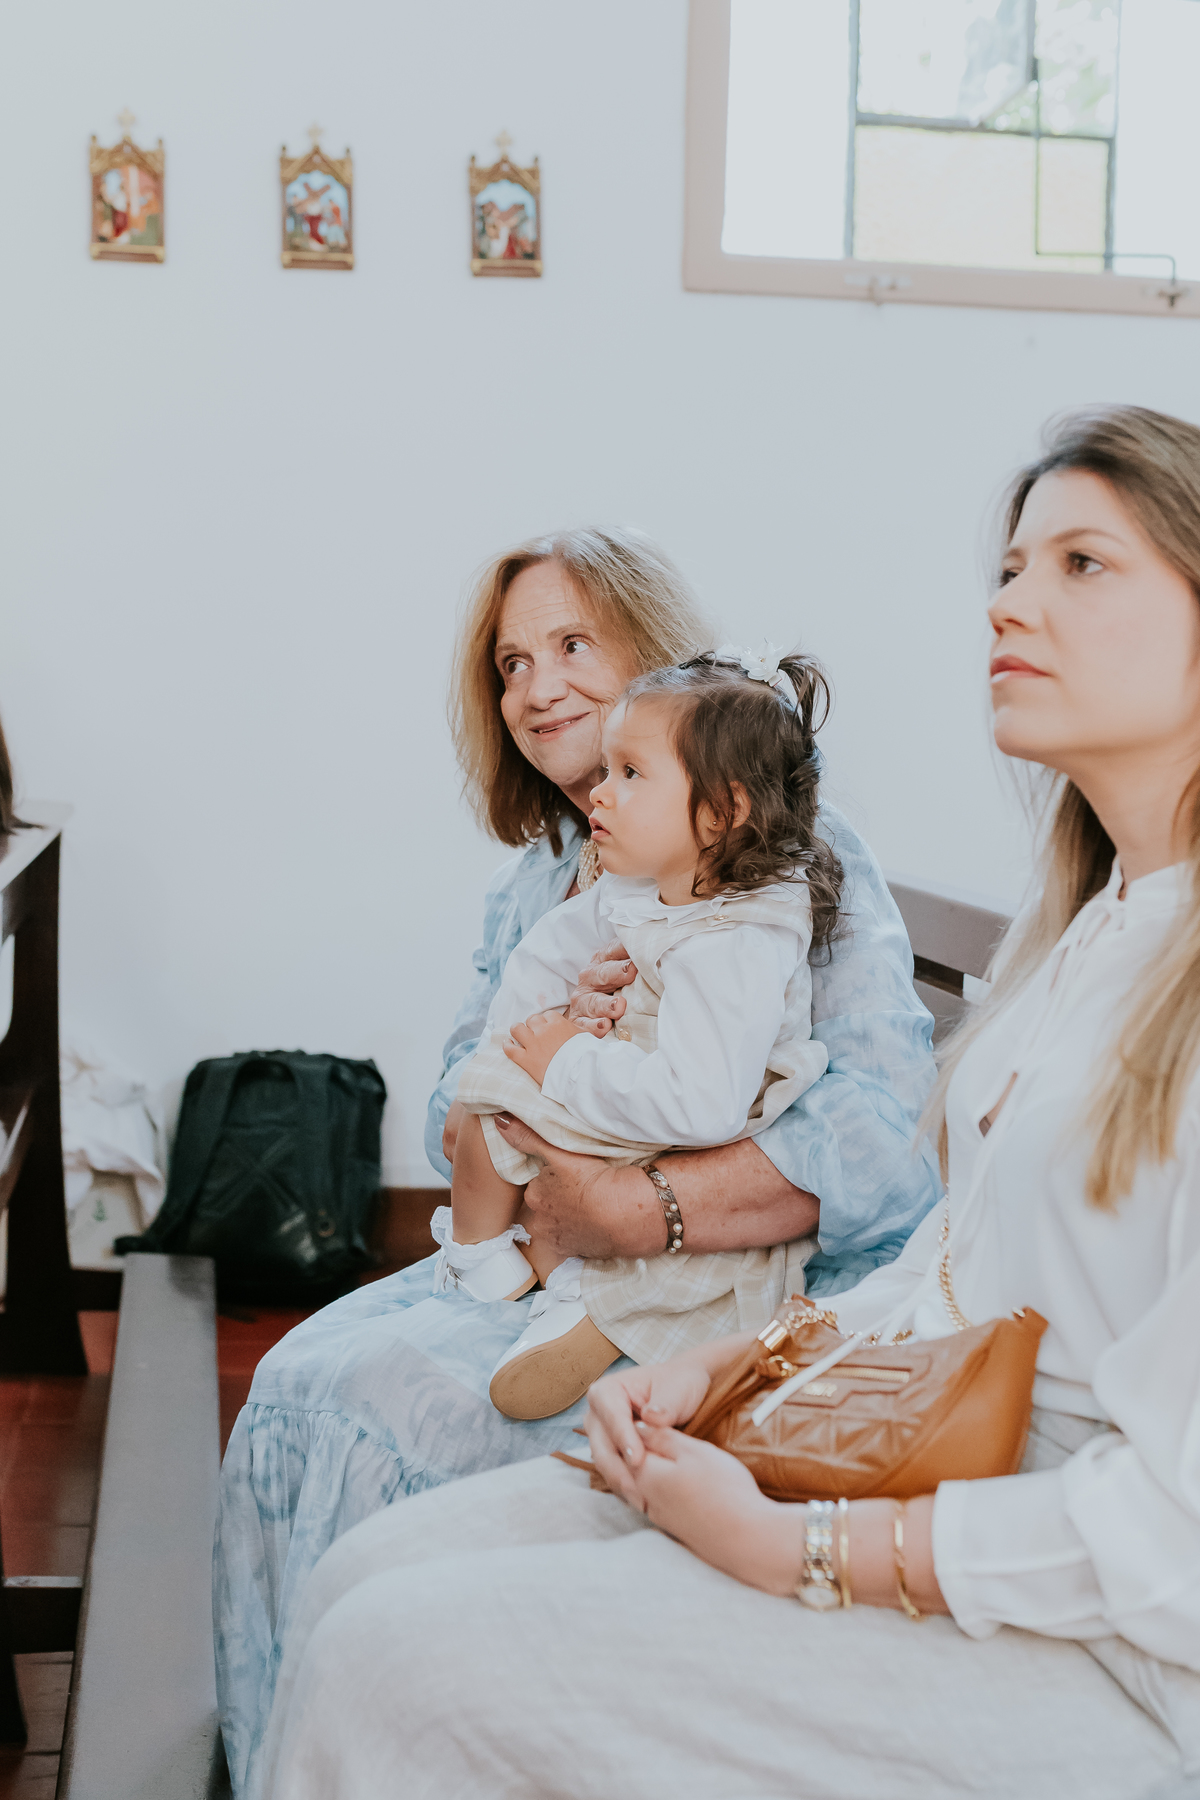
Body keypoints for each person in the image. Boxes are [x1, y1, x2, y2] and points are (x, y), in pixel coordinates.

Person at [257, 407, 1200, 1799]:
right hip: (952, 1469)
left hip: (1112, 1632)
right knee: (364, 1582)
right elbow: (957, 1280)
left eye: (1082, 564)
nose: (1009, 600)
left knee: (396, 1664)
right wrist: (727, 1373)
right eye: (1010, 566)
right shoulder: (1089, 935)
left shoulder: (782, 887)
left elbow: (1173, 1535)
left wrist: (797, 1548)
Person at [216, 527, 941, 1797]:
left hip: (749, 1291)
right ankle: (288, 1757)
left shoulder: (791, 864)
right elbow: (461, 1084)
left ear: (653, 661)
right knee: (291, 1379)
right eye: (509, 664)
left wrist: (628, 1199)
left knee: (383, 1418)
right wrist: (555, 1046)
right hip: (555, 1240)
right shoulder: (555, 874)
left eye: (570, 646)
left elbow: (877, 1138)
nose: (536, 686)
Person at [443, 647, 842, 1418]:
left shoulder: (736, 940)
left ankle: (525, 1277)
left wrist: (558, 1063)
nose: (602, 791)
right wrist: (530, 1033)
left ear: (723, 813)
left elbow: (702, 1108)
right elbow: (545, 953)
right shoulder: (646, 885)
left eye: (630, 774)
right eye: (609, 770)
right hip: (645, 1100)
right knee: (496, 1079)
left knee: (504, 1091)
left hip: (696, 1132)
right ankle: (536, 1273)